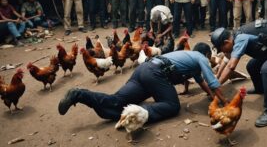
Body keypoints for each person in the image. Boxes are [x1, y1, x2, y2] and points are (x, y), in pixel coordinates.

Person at [58, 43, 227, 124]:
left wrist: (212, 97)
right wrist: (225, 103)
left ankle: (79, 94)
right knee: (172, 105)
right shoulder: (199, 57)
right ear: (205, 54)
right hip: (155, 74)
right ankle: (138, 113)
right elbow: (213, 82)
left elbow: (203, 83)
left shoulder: (192, 63)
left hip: (143, 70)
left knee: (116, 102)